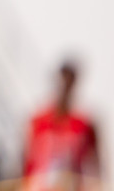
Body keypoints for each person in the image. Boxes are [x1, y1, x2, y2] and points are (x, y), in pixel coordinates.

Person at [24, 62, 102, 191]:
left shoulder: (84, 124)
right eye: (62, 82)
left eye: (69, 83)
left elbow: (95, 164)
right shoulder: (39, 120)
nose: (64, 88)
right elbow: (27, 159)